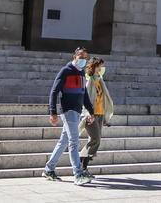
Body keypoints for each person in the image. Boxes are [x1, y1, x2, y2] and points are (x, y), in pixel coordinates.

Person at [44, 47, 95, 185]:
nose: (83, 60)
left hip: (77, 111)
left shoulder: (82, 74)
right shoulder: (65, 71)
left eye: (86, 58)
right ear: (74, 57)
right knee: (74, 141)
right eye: (81, 57)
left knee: (64, 141)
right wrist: (52, 112)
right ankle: (78, 174)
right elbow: (54, 92)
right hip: (68, 111)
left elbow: (84, 95)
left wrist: (91, 111)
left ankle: (49, 169)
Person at [80, 57, 116, 176]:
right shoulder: (89, 80)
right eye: (99, 66)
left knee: (94, 140)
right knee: (96, 139)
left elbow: (103, 99)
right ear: (94, 66)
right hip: (91, 114)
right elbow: (86, 99)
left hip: (100, 114)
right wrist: (87, 114)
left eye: (101, 66)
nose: (101, 68)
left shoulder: (99, 80)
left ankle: (83, 167)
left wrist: (105, 117)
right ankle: (81, 160)